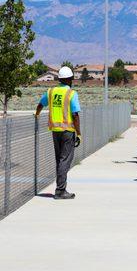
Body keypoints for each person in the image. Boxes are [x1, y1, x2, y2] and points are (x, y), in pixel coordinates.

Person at [35, 66, 82, 199]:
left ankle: (60, 188)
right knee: (65, 160)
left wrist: (37, 115)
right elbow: (75, 115)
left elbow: (40, 104)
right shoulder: (71, 93)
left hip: (55, 131)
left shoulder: (51, 92)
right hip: (67, 131)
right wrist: (78, 133)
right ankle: (60, 190)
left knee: (59, 160)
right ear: (68, 79)